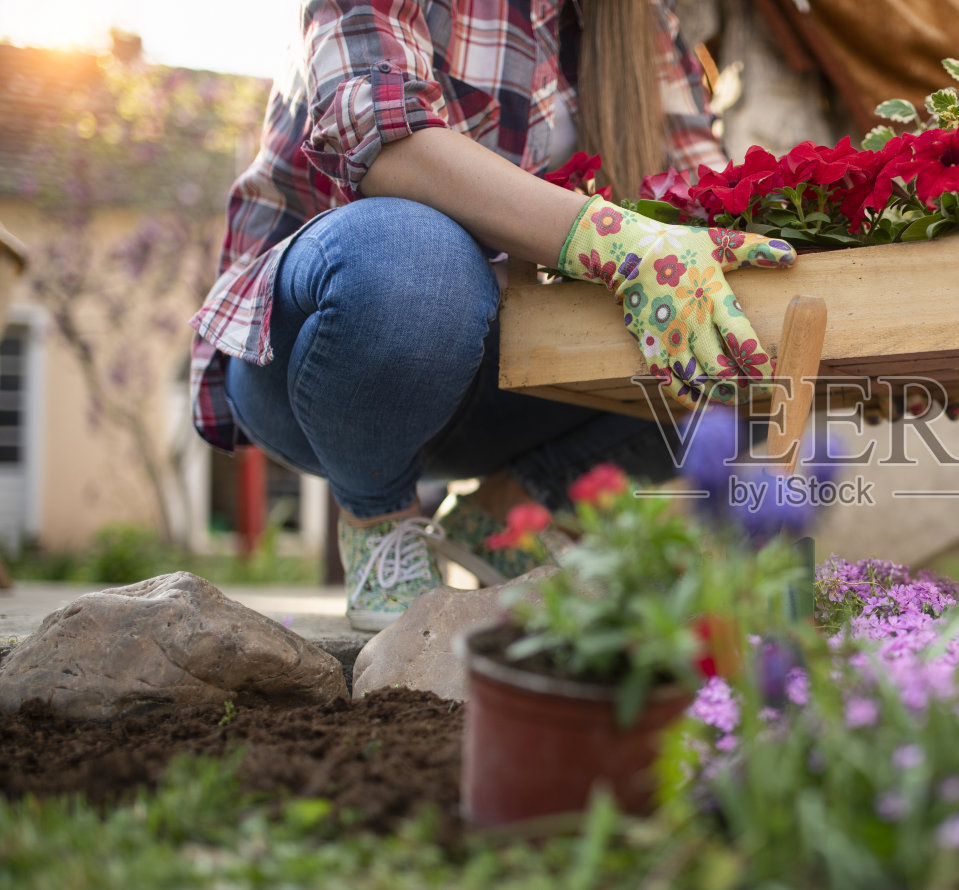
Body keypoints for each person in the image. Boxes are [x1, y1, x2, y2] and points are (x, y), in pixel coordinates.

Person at [188, 0, 795, 631]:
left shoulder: (640, 22)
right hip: (321, 359)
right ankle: (378, 517)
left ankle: (506, 509)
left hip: (507, 380)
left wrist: (875, 340)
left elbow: (704, 207)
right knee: (415, 258)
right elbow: (385, 143)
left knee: (743, 347)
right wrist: (611, 239)